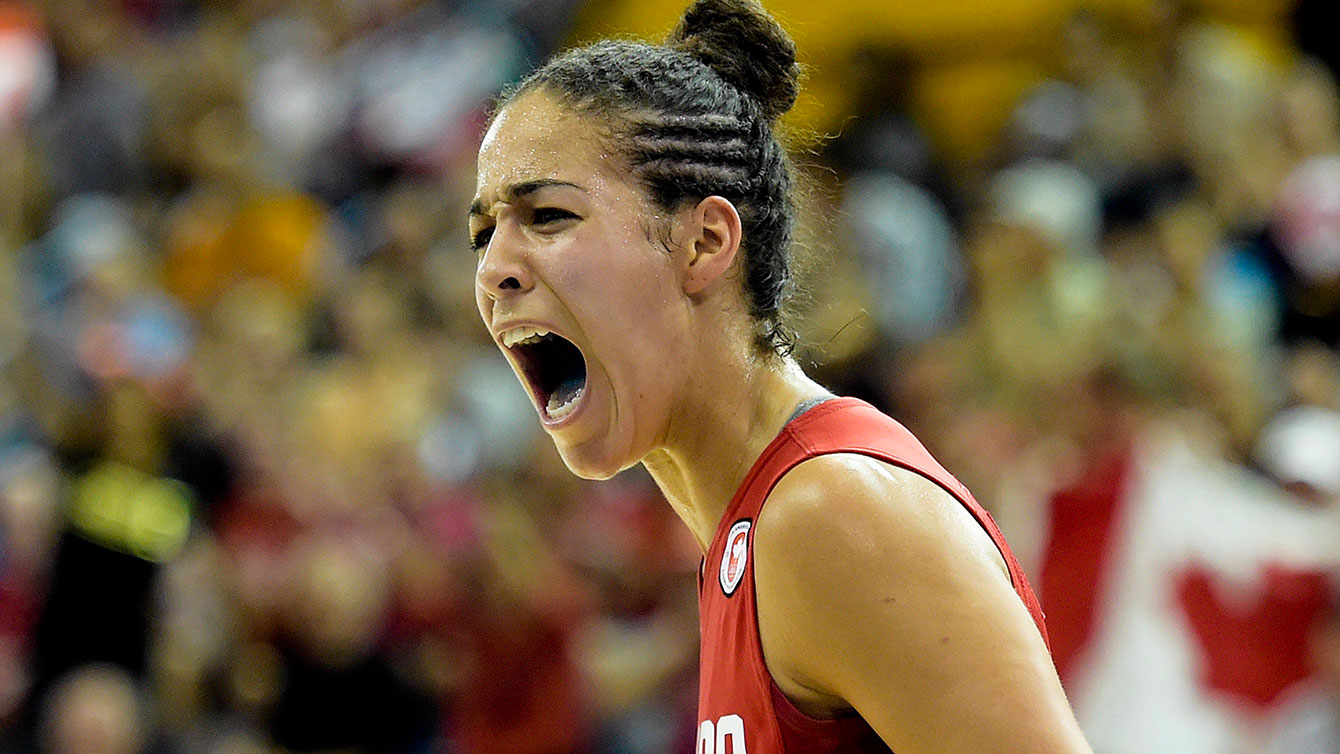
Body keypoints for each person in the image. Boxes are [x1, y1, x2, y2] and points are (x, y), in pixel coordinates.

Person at [467, 1, 1093, 751]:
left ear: (701, 242)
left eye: (548, 216)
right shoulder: (751, 529)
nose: (494, 267)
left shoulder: (833, 514)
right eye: (482, 233)